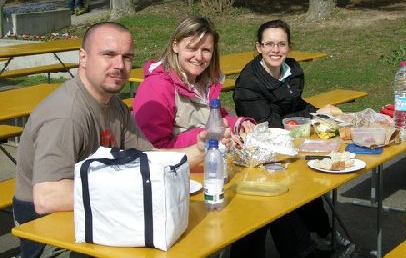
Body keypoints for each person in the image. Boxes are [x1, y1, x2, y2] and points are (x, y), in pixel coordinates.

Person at [13, 22, 209, 258]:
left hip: (94, 213)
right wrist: (130, 190)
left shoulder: (112, 103)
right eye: (109, 55)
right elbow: (47, 197)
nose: (120, 65)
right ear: (83, 58)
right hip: (48, 229)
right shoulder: (66, 116)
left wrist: (197, 151)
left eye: (127, 57)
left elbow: (148, 156)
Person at [233, 19, 346, 252]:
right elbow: (269, 124)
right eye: (269, 44)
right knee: (293, 186)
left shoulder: (292, 71)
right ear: (259, 47)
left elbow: (295, 107)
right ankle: (310, 243)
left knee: (310, 182)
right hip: (263, 155)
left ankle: (319, 235)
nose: (276, 50)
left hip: (291, 145)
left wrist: (317, 114)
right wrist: (306, 118)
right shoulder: (248, 83)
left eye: (281, 44)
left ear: (289, 47)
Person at [133, 16, 255, 148]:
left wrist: (239, 125)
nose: (199, 57)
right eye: (191, 48)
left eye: (206, 50)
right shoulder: (157, 86)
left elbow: (216, 118)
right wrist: (206, 136)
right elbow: (155, 148)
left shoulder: (205, 83)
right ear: (175, 46)